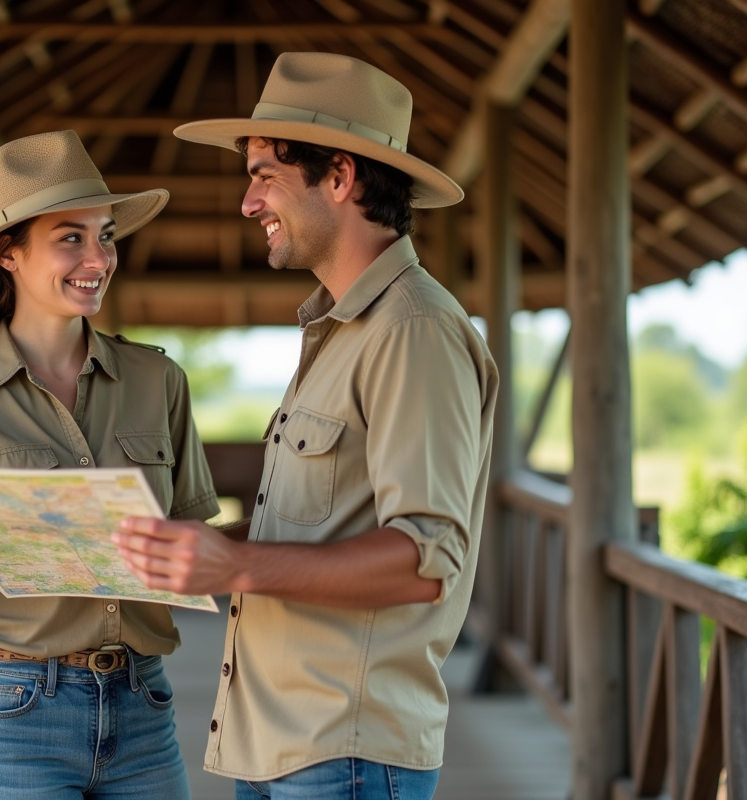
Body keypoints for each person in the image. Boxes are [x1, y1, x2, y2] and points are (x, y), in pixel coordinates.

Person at [113, 52, 499, 800]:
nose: (248, 204)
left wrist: (235, 568)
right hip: (280, 744)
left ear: (341, 178)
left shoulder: (414, 329)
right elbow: (315, 534)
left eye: (265, 176)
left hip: (345, 755)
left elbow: (425, 561)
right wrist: (192, 552)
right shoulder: (341, 330)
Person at [0, 130, 220, 800]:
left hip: (144, 706)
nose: (99, 257)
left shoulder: (159, 379)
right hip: (12, 711)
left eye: (107, 235)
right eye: (71, 237)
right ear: (8, 254)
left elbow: (197, 546)